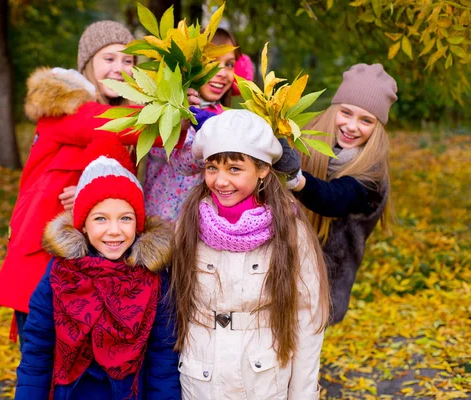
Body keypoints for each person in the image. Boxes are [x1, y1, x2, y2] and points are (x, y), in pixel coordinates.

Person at [0, 20, 141, 346]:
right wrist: (182, 112)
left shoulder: (120, 116)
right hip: (42, 263)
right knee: (43, 368)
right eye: (109, 59)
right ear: (87, 64)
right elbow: (119, 126)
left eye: (128, 61)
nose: (119, 68)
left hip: (92, 262)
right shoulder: (65, 108)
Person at [171, 109, 330, 399]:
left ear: (262, 170)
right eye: (212, 168)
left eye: (234, 169)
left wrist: (303, 394)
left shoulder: (289, 230)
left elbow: (308, 318)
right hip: (201, 380)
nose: (220, 181)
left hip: (262, 381)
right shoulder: (190, 223)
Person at [15, 144, 180, 400]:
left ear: (138, 224)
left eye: (125, 218)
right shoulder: (59, 275)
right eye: (100, 219)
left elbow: (163, 357)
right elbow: (37, 351)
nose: (114, 230)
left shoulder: (153, 277)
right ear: (82, 225)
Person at [275, 63, 397, 324]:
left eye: (366, 120)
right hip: (279, 276)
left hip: (321, 290)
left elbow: (334, 198)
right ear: (335, 110)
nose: (352, 126)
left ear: (378, 127)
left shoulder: (371, 176)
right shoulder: (306, 142)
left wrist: (296, 179)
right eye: (346, 113)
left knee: (300, 360)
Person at [144, 28, 253, 221]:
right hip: (165, 224)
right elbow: (178, 161)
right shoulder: (168, 107)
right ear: (189, 67)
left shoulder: (224, 116)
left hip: (204, 226)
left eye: (229, 64)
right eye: (211, 63)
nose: (222, 73)